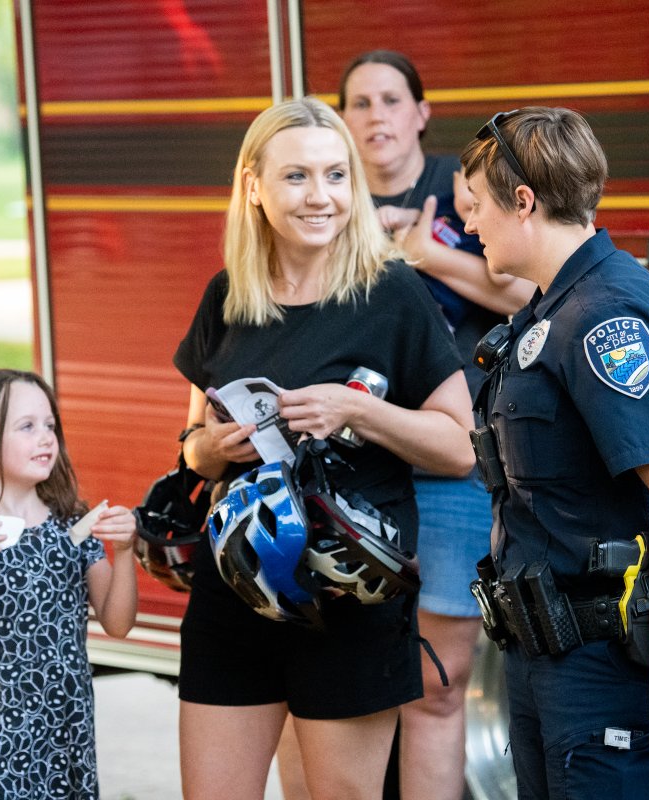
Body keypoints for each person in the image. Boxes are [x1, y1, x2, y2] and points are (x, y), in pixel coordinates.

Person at [173, 96, 476, 800]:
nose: (322, 197)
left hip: (347, 593)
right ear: (254, 186)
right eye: (298, 177)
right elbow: (191, 448)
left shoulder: (392, 293)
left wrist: (358, 410)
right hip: (235, 587)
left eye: (336, 176)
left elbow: (459, 447)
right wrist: (217, 448)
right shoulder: (229, 298)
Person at [460, 106, 649, 799]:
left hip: (603, 666)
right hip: (544, 653)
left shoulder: (605, 316)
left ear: (524, 201)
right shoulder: (548, 313)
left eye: (477, 206)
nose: (469, 224)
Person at [330, 50, 536, 800]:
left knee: (437, 682)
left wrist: (426, 256)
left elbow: (529, 290)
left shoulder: (460, 189)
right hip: (355, 468)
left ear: (420, 112)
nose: (376, 116)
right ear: (343, 121)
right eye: (360, 103)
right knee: (342, 677)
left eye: (391, 100)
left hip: (458, 468)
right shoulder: (328, 197)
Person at [0, 369, 138, 799]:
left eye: (50, 425)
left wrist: (127, 551)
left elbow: (117, 623)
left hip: (65, 736)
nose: (46, 438)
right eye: (27, 426)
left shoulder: (72, 526)